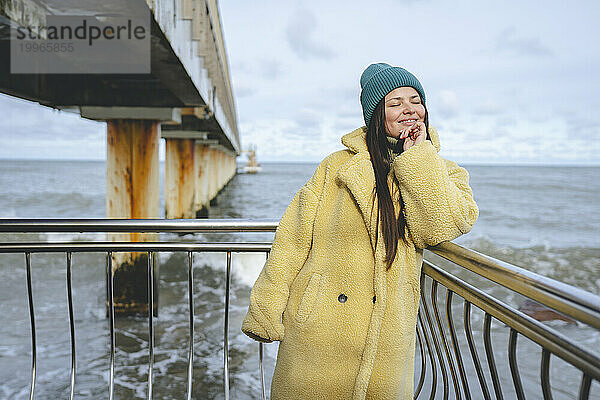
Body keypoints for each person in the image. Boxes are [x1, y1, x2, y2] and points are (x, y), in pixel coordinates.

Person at [241, 62, 479, 400]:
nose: (409, 109)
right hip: (318, 328)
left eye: (415, 100)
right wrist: (267, 306)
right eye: (395, 103)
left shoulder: (443, 171)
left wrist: (416, 159)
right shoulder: (336, 167)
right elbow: (293, 239)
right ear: (376, 114)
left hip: (386, 336)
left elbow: (440, 227)